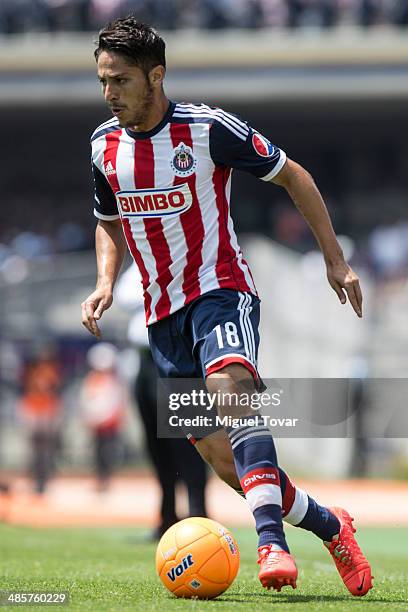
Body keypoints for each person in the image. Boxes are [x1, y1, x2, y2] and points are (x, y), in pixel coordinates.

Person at [81, 17, 372, 595]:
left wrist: (334, 261)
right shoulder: (102, 146)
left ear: (155, 76)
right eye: (103, 82)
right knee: (225, 462)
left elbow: (296, 177)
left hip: (222, 291)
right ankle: (333, 525)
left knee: (233, 390)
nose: (109, 94)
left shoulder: (207, 128)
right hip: (161, 319)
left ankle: (272, 545)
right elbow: (108, 220)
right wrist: (105, 281)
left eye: (120, 81)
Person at [116, 262, 208, 538]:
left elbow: (148, 296)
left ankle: (199, 516)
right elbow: (124, 296)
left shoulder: (177, 254)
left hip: (176, 358)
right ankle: (167, 516)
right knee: (156, 445)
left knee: (190, 441)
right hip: (144, 362)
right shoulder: (139, 261)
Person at [80, 343, 125, 491]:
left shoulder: (113, 380)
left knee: (108, 453)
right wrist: (90, 418)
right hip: (97, 424)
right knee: (97, 453)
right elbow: (87, 400)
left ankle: (106, 479)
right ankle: (100, 479)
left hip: (109, 424)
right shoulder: (92, 380)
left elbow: (116, 402)